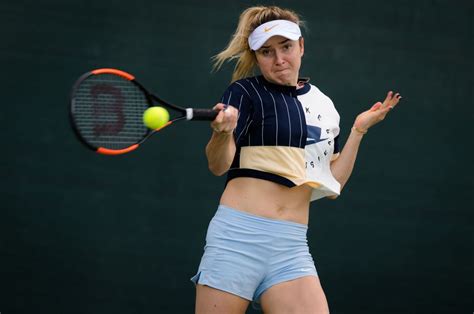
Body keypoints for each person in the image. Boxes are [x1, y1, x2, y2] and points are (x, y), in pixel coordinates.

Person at [191, 5, 402, 313]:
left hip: (290, 248)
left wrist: (358, 131)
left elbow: (334, 182)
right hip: (236, 240)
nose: (279, 60)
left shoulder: (324, 105)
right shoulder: (243, 93)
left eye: (286, 47)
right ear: (256, 57)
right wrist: (223, 133)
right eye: (266, 52)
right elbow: (218, 165)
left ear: (301, 46)